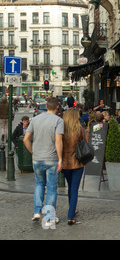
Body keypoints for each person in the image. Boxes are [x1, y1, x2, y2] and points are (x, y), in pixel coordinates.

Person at [23, 97, 64, 226]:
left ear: (46, 106)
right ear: (57, 107)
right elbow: (58, 141)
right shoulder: (58, 121)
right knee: (51, 188)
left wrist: (33, 152)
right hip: (51, 159)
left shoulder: (35, 119)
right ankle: (49, 218)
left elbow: (26, 139)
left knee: (39, 184)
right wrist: (61, 159)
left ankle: (37, 211)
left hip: (37, 159)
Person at [61, 108, 86, 225]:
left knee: (70, 187)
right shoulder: (79, 129)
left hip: (65, 163)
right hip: (77, 162)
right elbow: (85, 143)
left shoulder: (61, 130)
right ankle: (70, 217)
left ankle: (73, 209)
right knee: (74, 189)